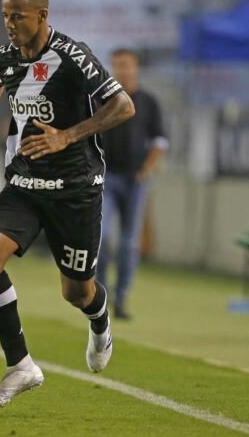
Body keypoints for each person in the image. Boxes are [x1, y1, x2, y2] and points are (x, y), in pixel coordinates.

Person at [0, 0, 134, 410]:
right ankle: (21, 366)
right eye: (5, 16)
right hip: (25, 186)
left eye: (17, 16)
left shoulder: (73, 57)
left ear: (42, 15)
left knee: (76, 292)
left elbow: (122, 105)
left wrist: (67, 136)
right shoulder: (8, 57)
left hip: (76, 191)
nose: (9, 24)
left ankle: (100, 319)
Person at [96, 48, 167, 319]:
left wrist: (148, 167)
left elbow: (160, 140)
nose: (122, 70)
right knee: (101, 239)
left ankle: (121, 296)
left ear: (136, 67)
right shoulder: (103, 99)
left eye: (126, 65)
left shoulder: (148, 102)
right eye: (117, 65)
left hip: (136, 180)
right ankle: (100, 296)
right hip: (107, 177)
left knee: (129, 243)